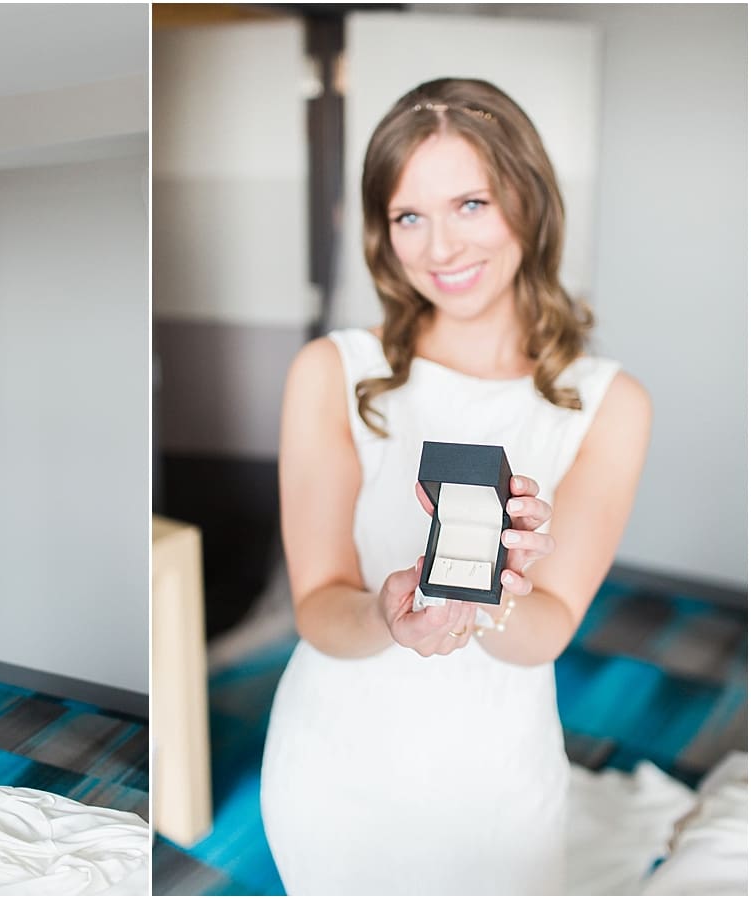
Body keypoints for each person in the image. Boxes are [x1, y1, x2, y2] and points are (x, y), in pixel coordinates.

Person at [259, 78, 652, 894]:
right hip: (337, 766)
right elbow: (319, 604)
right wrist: (385, 612)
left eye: (471, 203)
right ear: (383, 230)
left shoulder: (610, 403)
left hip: (496, 778)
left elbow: (544, 631)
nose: (440, 248)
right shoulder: (332, 372)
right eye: (409, 215)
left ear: (527, 200)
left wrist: (495, 587)